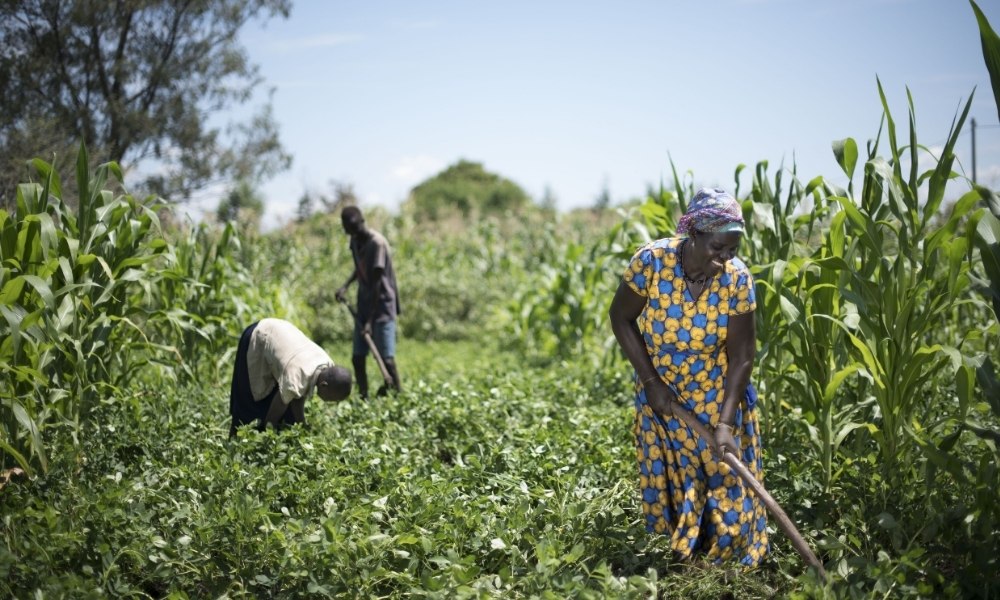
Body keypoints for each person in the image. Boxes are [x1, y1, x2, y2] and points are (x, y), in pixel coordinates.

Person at [608, 187, 768, 566]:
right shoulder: (652, 261)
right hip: (661, 390)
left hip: (716, 390)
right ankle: (682, 555)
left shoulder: (737, 280)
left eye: (732, 249)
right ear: (693, 234)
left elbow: (743, 355)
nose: (725, 257)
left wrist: (726, 422)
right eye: (718, 247)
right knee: (675, 475)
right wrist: (651, 383)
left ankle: (725, 557)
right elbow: (621, 318)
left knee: (722, 472)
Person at [229, 318, 352, 437]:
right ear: (324, 385)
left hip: (280, 331)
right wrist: (267, 434)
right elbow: (276, 411)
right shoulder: (297, 375)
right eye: (331, 399)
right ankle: (233, 441)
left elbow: (297, 394)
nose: (329, 402)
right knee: (247, 403)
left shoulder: (326, 364)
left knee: (289, 418)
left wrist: (302, 423)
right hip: (259, 334)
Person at [335, 206, 402, 399]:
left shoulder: (377, 244)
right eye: (348, 228)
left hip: (382, 307)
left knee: (386, 359)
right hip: (364, 305)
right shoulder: (355, 241)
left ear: (361, 222)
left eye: (353, 227)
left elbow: (378, 284)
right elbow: (359, 268)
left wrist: (369, 322)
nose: (350, 232)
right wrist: (345, 286)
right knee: (357, 358)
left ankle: (398, 395)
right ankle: (364, 396)